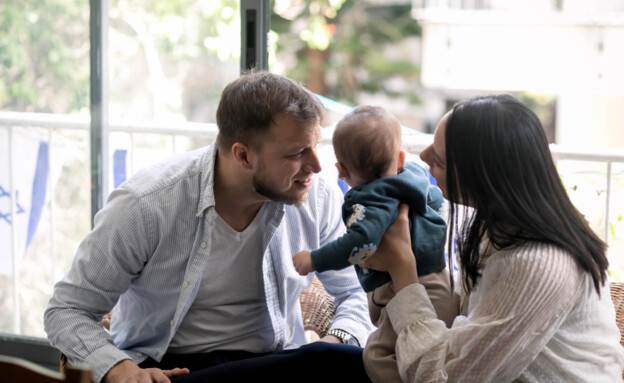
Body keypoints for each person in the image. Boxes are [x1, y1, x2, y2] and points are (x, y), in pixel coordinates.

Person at [44, 71, 374, 383]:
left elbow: (354, 291)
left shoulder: (317, 196)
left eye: (316, 145)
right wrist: (119, 368)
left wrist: (339, 337)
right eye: (298, 152)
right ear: (243, 156)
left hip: (276, 363)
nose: (316, 166)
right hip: (172, 368)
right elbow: (68, 310)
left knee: (339, 360)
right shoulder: (147, 204)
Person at [360, 94, 624, 382]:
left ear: (484, 178)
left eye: (439, 159)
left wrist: (403, 268)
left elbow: (444, 378)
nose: (422, 157)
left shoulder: (538, 262)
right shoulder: (499, 226)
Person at [292, 105, 458, 383]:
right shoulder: (412, 176)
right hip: (438, 283)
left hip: (414, 291)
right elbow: (436, 202)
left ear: (341, 169)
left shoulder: (371, 199)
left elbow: (361, 242)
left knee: (376, 356)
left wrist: (313, 259)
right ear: (401, 158)